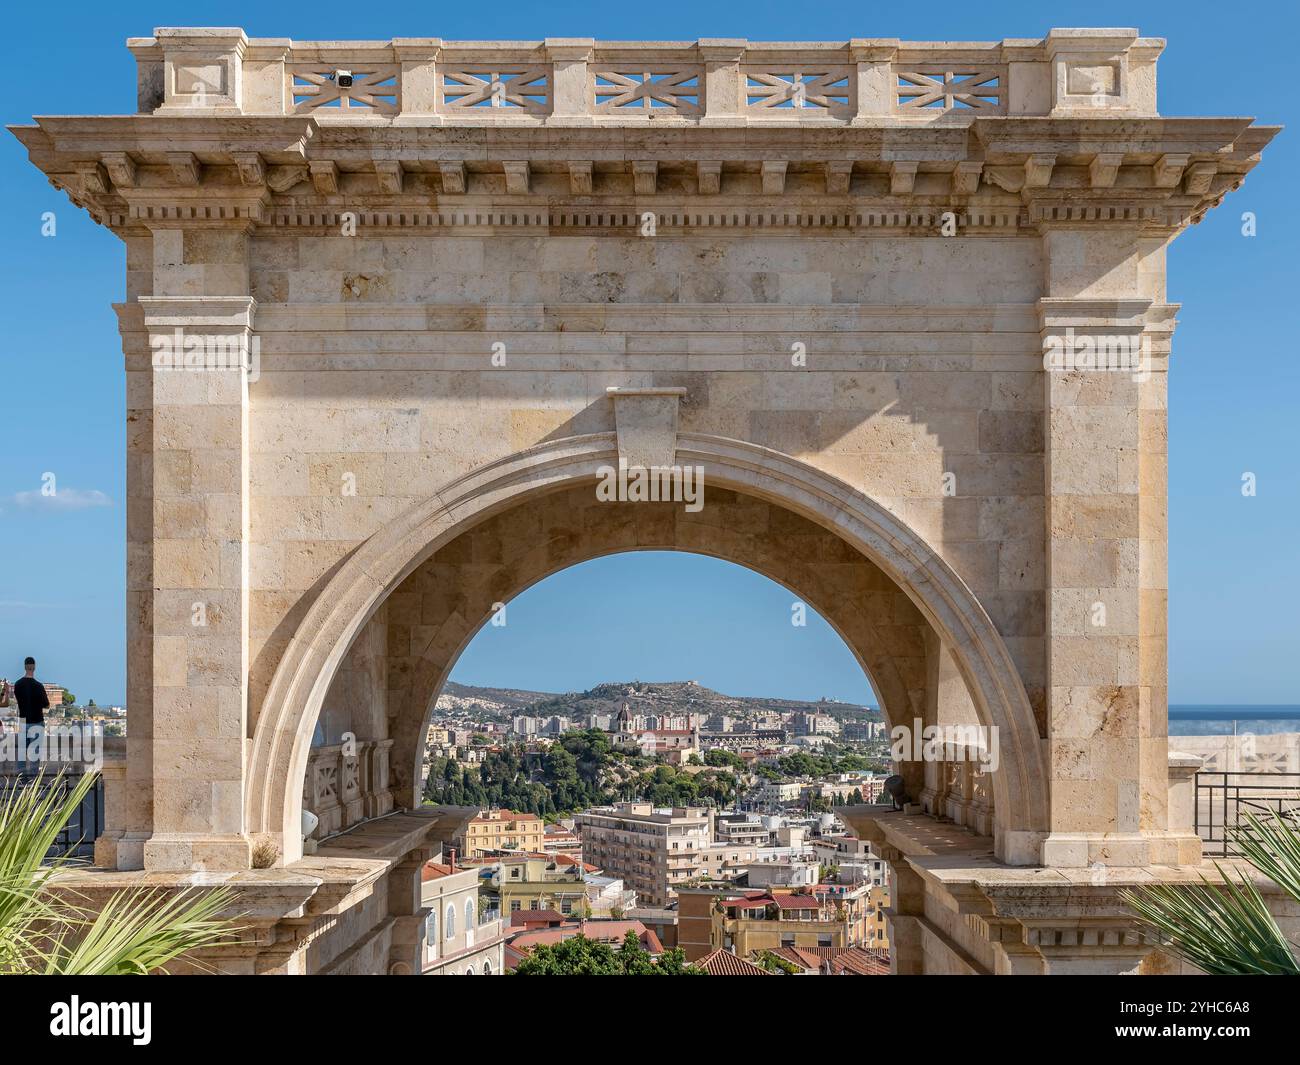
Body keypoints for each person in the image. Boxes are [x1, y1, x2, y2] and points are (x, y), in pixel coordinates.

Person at [11, 657, 49, 777]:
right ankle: (33, 782)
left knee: (22, 754)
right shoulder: (39, 686)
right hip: (37, 722)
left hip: (23, 722)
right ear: (34, 667)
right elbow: (46, 704)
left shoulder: (17, 685)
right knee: (35, 754)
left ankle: (21, 780)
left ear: (25, 667)